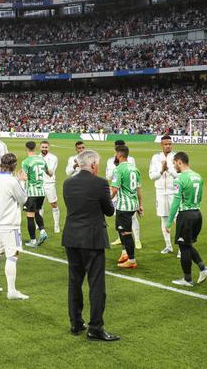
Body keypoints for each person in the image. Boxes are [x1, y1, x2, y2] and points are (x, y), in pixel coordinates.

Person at [62, 150, 119, 341]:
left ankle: (76, 323)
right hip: (92, 239)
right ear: (93, 164)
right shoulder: (100, 183)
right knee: (96, 284)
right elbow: (109, 211)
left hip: (71, 237)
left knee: (74, 282)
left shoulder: (67, 182)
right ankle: (95, 328)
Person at [0, 153, 29, 300]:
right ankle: (11, 291)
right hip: (10, 224)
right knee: (13, 255)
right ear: (14, 165)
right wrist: (22, 181)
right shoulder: (13, 181)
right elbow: (23, 199)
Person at [166, 152, 207, 287]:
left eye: (174, 163)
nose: (174, 166)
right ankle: (203, 268)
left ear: (179, 162)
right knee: (187, 245)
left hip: (186, 216)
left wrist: (169, 222)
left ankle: (187, 279)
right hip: (197, 214)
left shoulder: (180, 179)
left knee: (183, 247)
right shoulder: (198, 176)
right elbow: (200, 195)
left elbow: (175, 202)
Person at [110, 145, 143, 269]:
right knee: (120, 229)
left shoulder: (119, 169)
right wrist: (140, 205)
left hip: (124, 206)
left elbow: (114, 190)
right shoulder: (135, 169)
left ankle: (132, 259)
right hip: (133, 205)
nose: (115, 156)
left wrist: (106, 201)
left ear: (119, 155)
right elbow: (139, 189)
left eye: (115, 154)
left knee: (126, 232)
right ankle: (124, 254)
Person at [105, 140, 141, 248]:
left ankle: (133, 247)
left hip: (124, 199)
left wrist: (108, 199)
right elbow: (108, 176)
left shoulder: (126, 164)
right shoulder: (111, 161)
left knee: (126, 227)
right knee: (122, 226)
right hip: (128, 198)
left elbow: (116, 187)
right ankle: (123, 245)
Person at [149, 135, 178, 254]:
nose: (168, 146)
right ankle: (168, 245)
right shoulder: (155, 157)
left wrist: (169, 170)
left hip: (174, 192)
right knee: (164, 218)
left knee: (177, 219)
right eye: (166, 144)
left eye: (170, 144)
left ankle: (181, 248)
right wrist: (161, 170)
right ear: (161, 145)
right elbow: (151, 176)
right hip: (160, 192)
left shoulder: (176, 157)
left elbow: (179, 175)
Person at [22, 141, 52, 247]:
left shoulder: (26, 162)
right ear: (35, 148)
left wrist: (20, 175)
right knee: (37, 212)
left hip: (32, 192)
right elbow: (50, 173)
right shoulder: (41, 160)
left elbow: (25, 178)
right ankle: (43, 231)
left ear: (26, 148)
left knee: (30, 216)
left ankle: (33, 240)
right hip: (41, 192)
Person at [40, 140, 61, 233]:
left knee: (53, 204)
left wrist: (42, 164)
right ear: (40, 147)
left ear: (49, 147)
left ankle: (56, 225)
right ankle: (39, 224)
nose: (44, 149)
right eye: (43, 147)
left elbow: (50, 172)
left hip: (49, 183)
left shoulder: (53, 158)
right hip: (39, 183)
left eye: (46, 147)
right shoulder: (37, 157)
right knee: (39, 205)